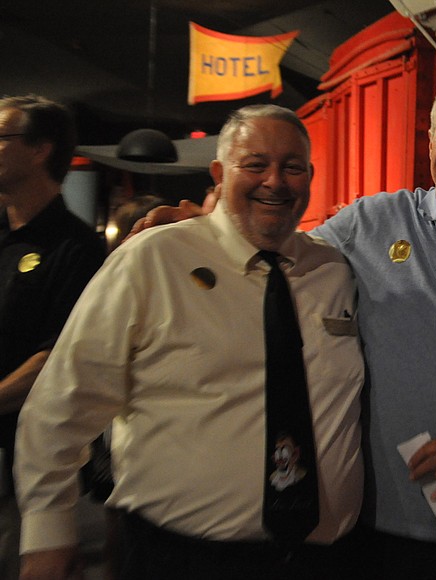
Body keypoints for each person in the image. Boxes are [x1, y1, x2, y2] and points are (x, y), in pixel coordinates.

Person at [131, 74, 436, 580]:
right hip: (359, 534)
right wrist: (203, 228)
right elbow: (274, 251)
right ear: (430, 145)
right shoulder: (372, 221)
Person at [14, 104, 364, 580]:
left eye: (292, 167)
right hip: (180, 561)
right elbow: (61, 407)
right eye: (256, 164)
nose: (275, 181)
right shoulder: (154, 258)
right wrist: (48, 535)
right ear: (219, 174)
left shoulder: (334, 271)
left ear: (310, 176)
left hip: (321, 561)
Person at [0, 94, 106, 580]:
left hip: (31, 472)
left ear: (40, 149)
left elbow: (57, 356)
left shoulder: (77, 247)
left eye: (1, 136)